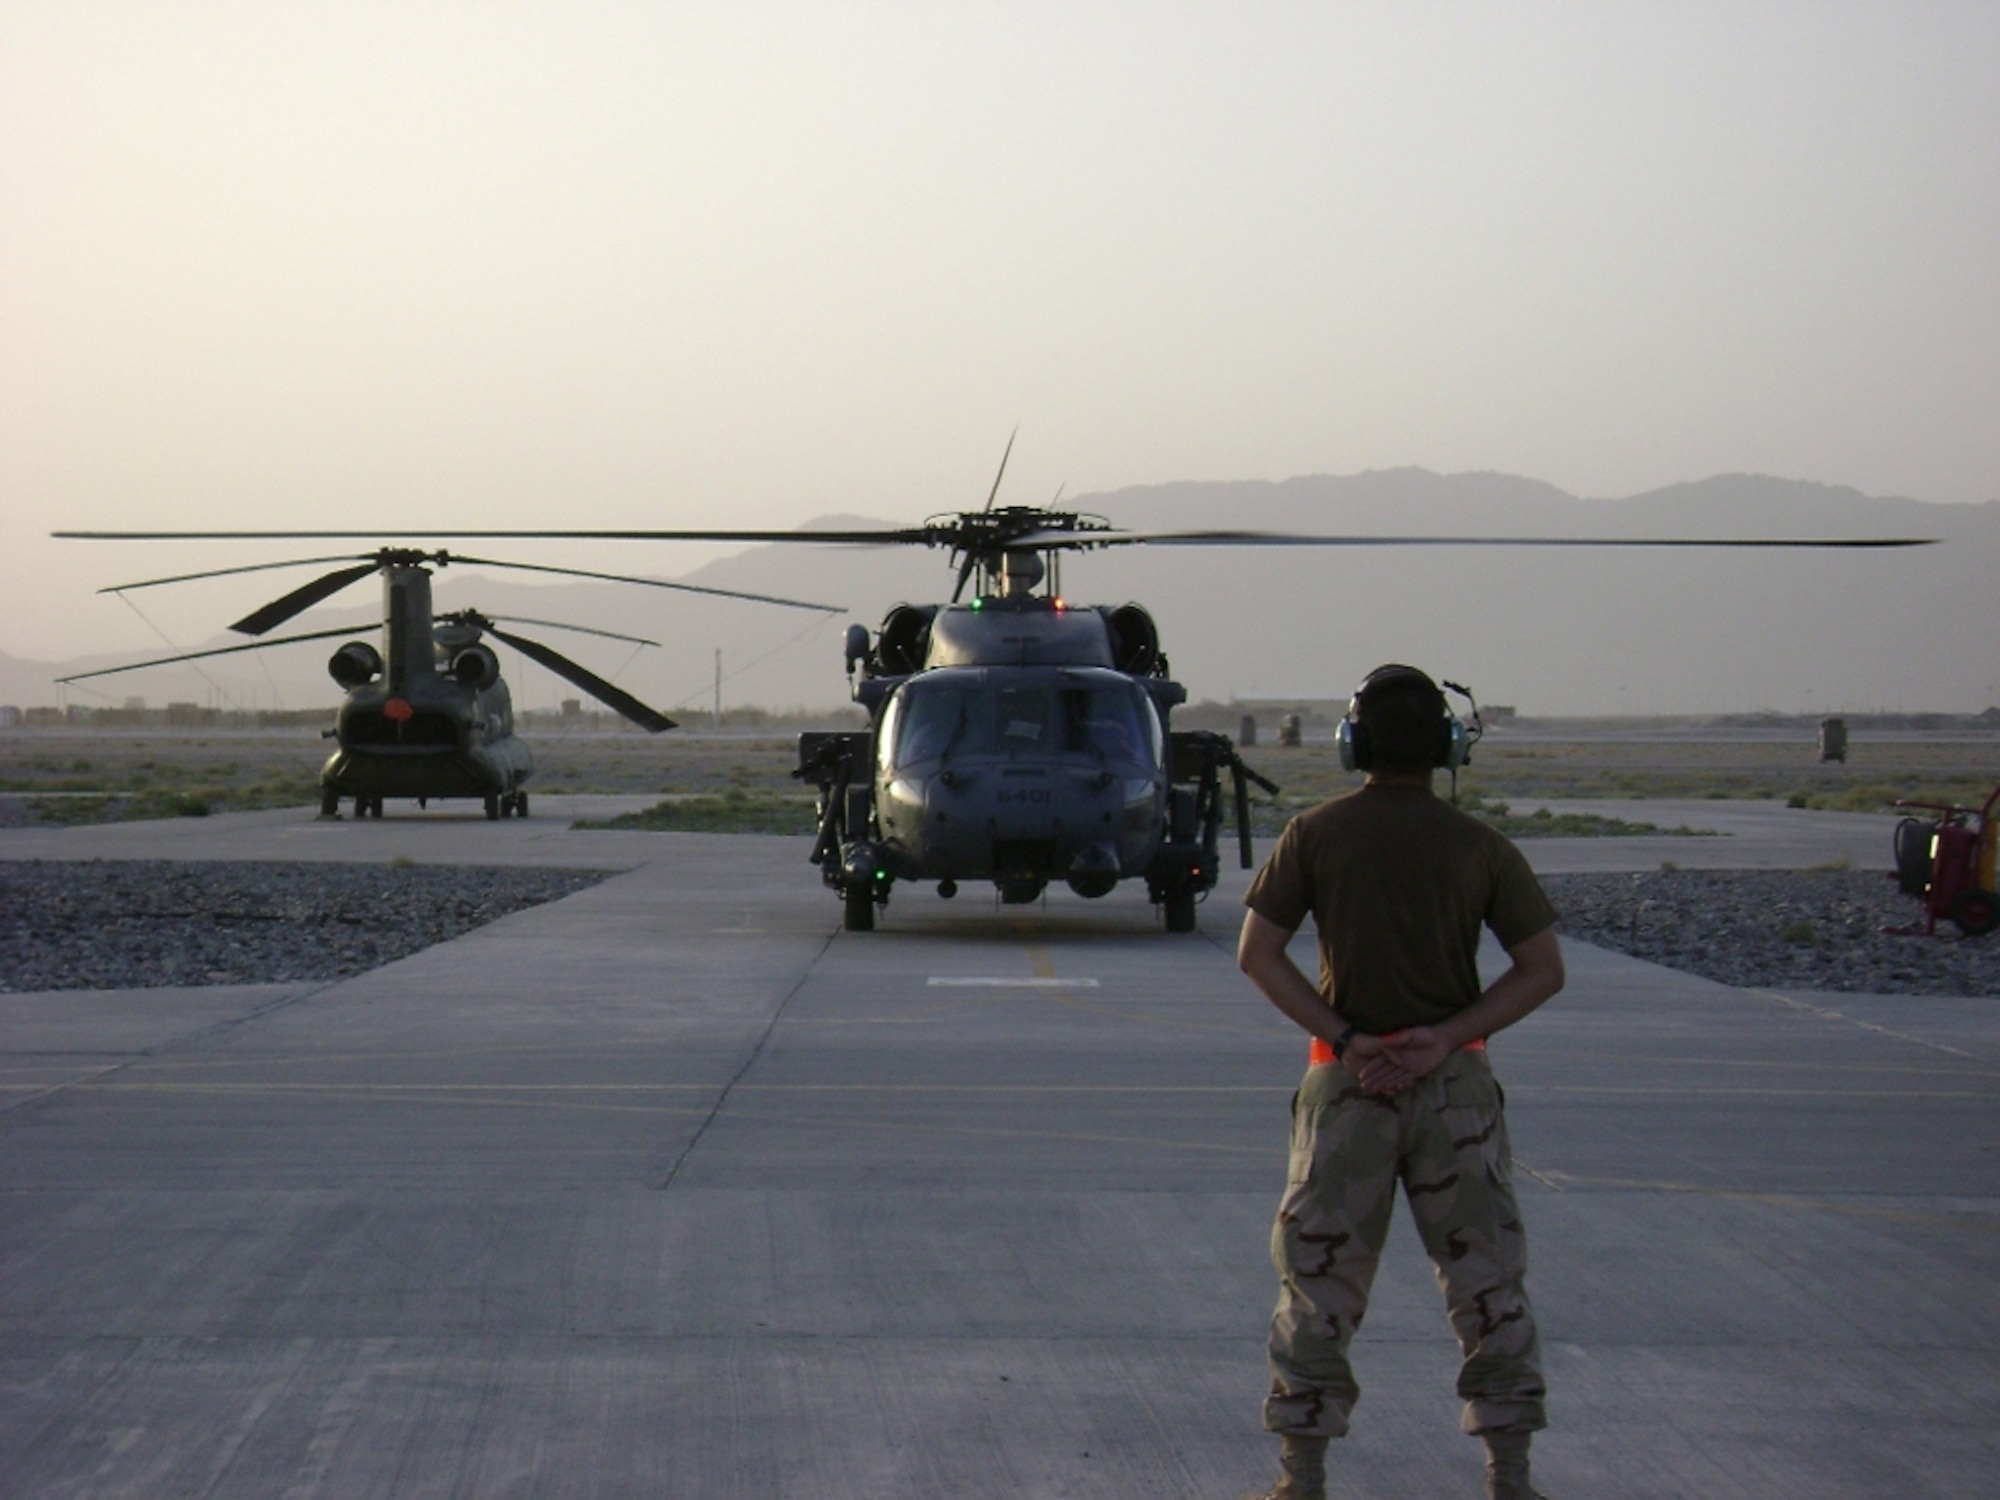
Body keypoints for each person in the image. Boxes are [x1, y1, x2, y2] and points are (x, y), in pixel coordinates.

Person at [1235, 664, 1565, 1500]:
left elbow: (1258, 954)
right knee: (1488, 1284)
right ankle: (1511, 1477)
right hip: (1456, 1093)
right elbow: (1540, 970)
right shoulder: (1481, 846)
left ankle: (1301, 1478)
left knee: (1317, 1289)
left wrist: (1348, 1039)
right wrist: (1446, 1038)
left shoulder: (1314, 834)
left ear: (1356, 746)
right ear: (1449, 748)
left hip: (1345, 1093)